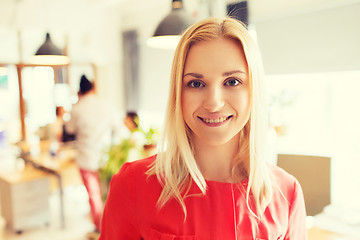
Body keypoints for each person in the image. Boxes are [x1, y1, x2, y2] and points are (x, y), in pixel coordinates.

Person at [99, 17, 307, 239]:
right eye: (196, 84)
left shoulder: (287, 193)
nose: (214, 103)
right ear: (178, 94)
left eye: (232, 81)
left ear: (253, 90)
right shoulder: (132, 185)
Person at [65, 75, 123, 234]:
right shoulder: (106, 105)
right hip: (106, 158)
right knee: (109, 194)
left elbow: (69, 129)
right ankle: (113, 226)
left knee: (94, 195)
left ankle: (100, 229)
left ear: (80, 90)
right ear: (93, 88)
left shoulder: (77, 108)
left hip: (86, 158)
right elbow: (118, 130)